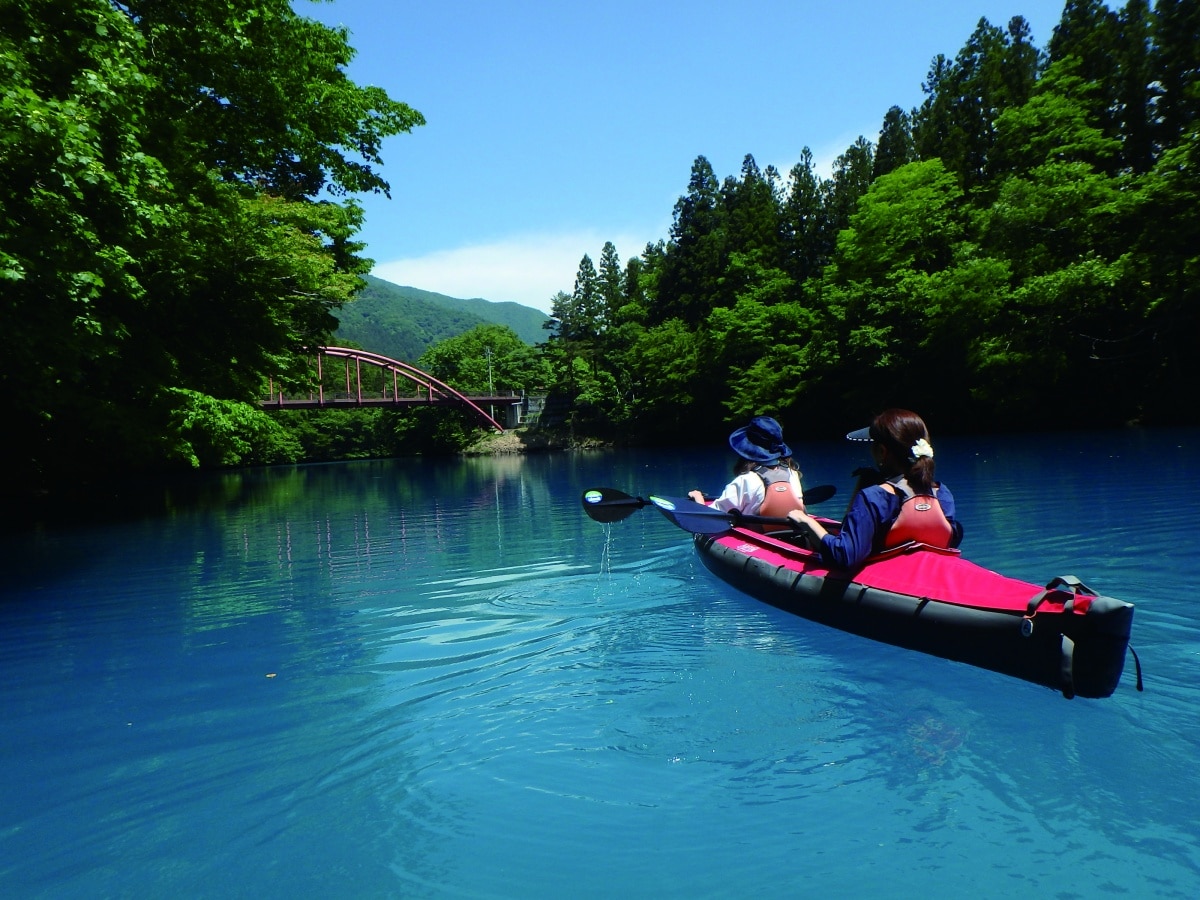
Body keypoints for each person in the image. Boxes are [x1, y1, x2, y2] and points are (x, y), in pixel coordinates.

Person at [787, 408, 962, 568]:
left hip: (889, 581)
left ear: (882, 451)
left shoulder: (873, 497)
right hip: (928, 575)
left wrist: (807, 522)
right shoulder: (942, 493)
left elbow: (845, 556)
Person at [688, 415, 805, 519]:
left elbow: (714, 515)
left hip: (759, 536)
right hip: (791, 535)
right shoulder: (792, 474)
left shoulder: (745, 480)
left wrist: (698, 498)